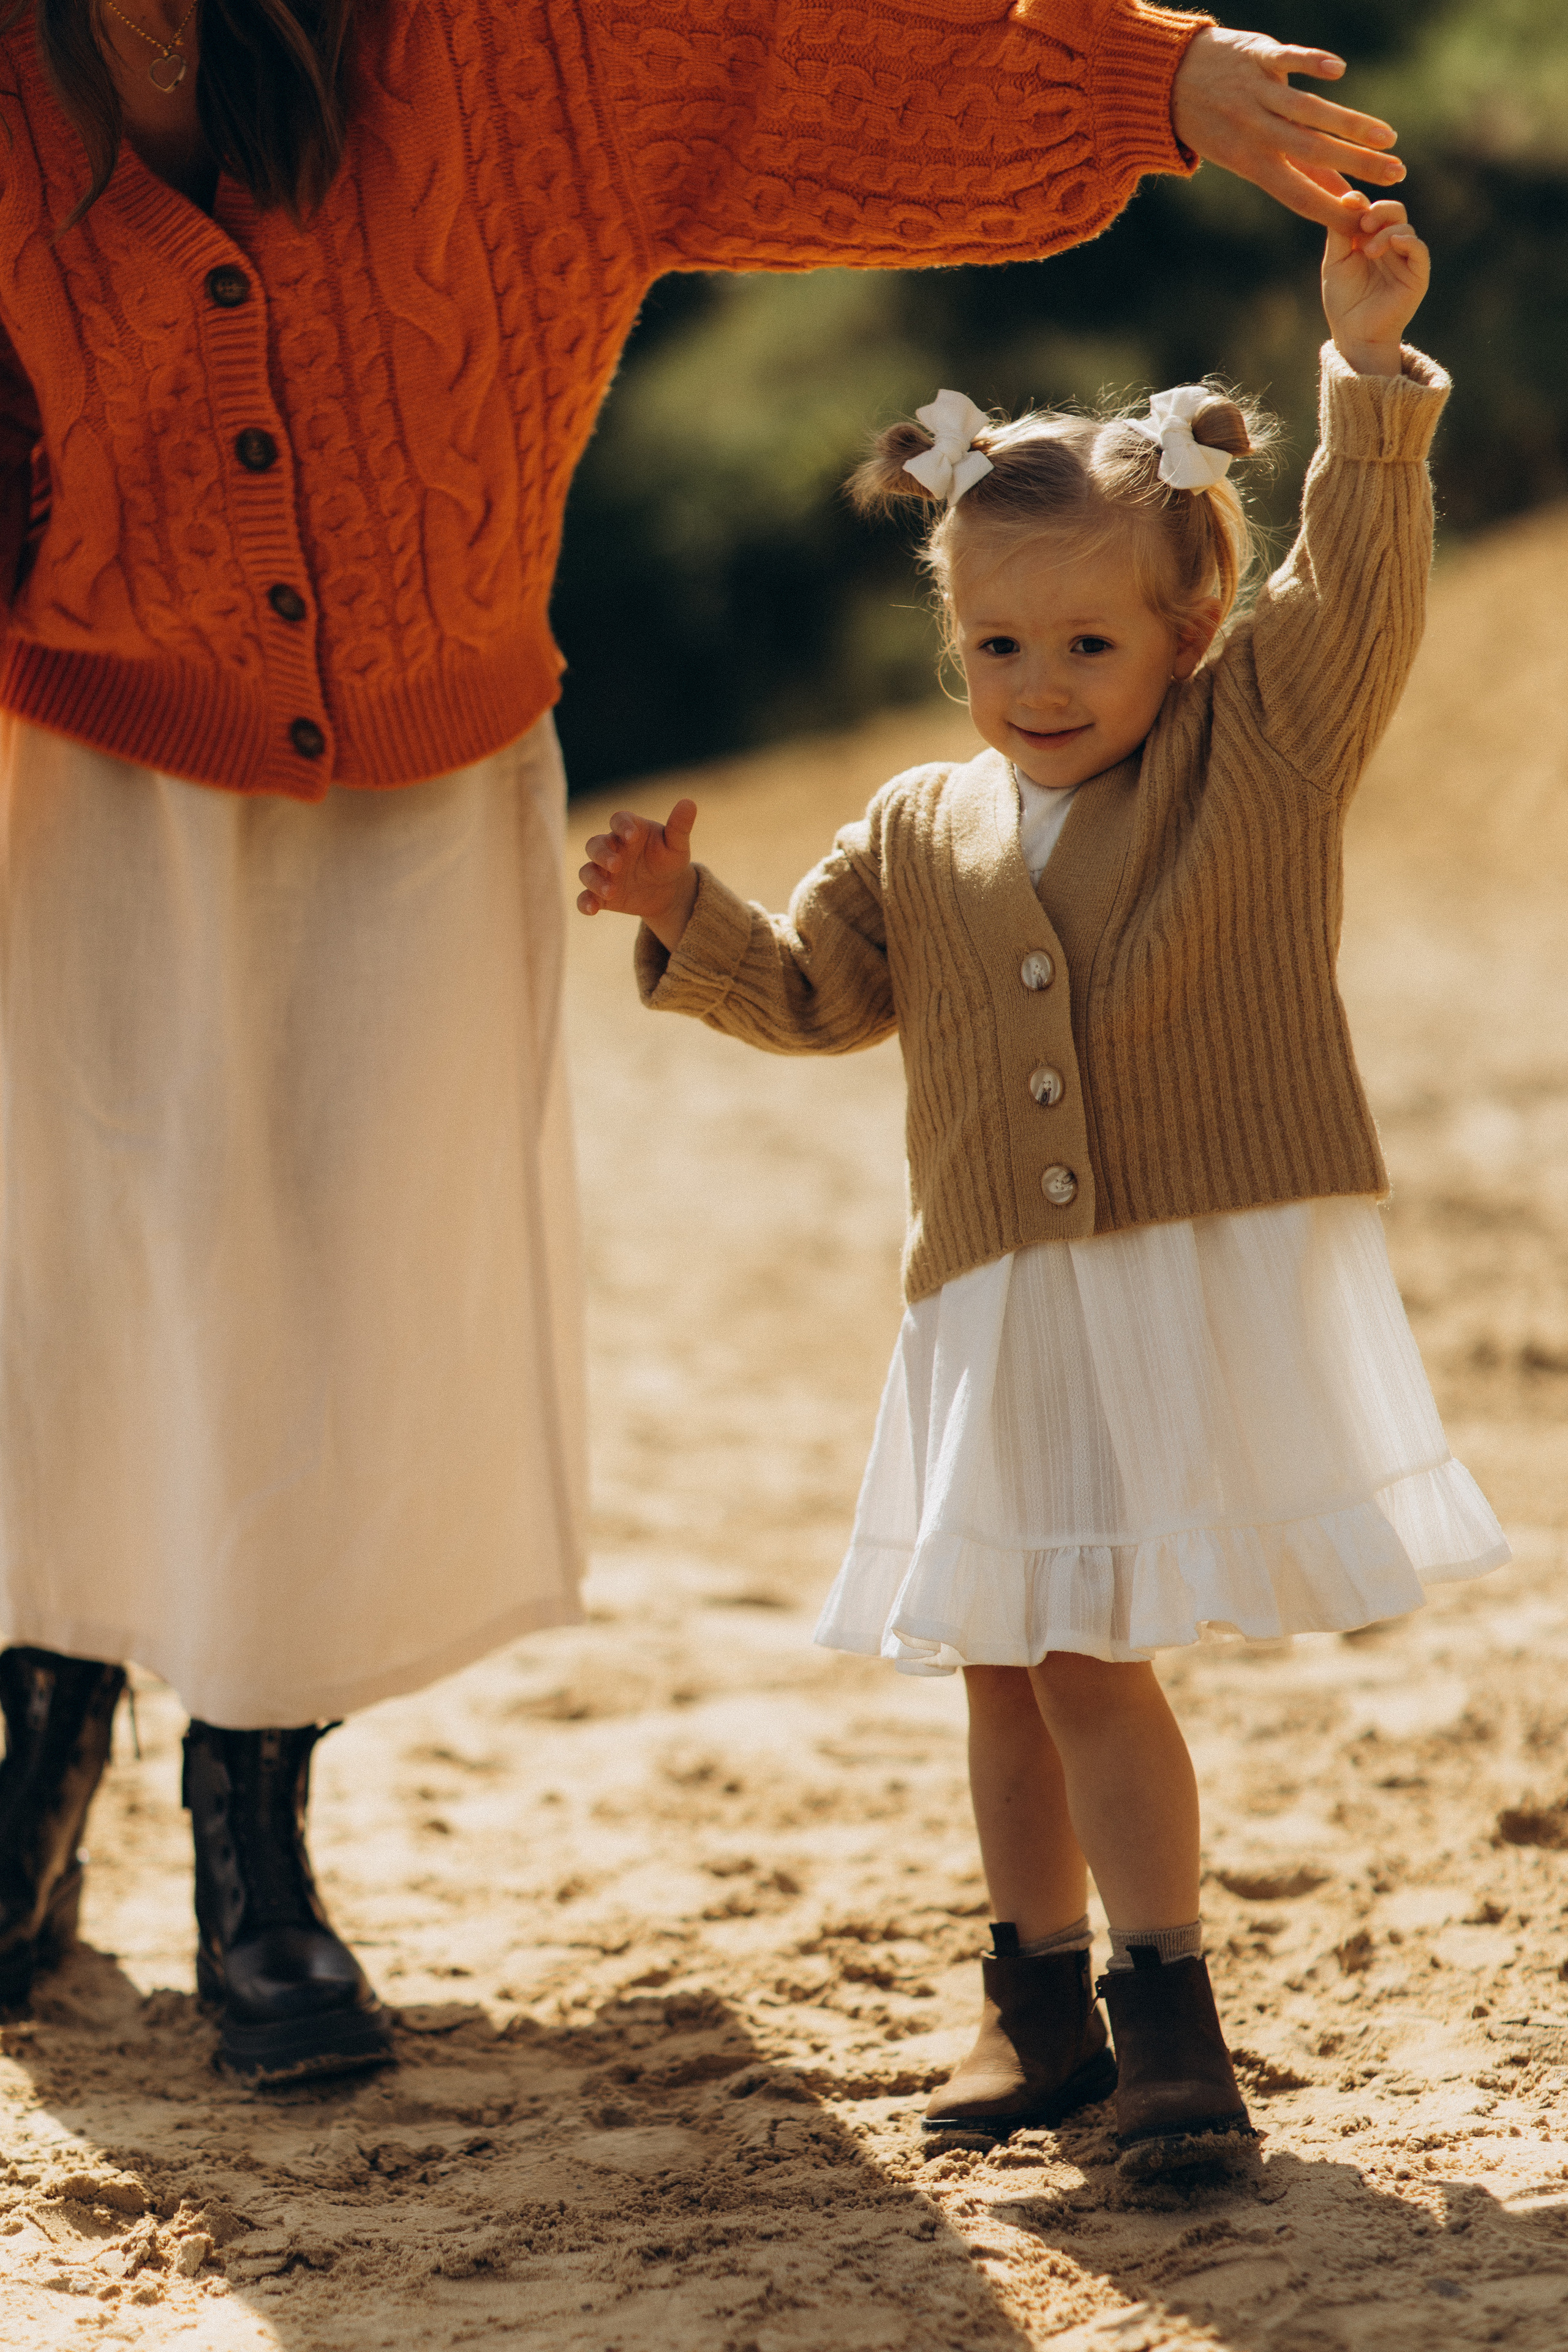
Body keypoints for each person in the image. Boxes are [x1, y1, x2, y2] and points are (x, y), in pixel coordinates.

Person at [0, 0, 1414, 2082]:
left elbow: (809, 62)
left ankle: (253, 1849)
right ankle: (40, 1744)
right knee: (75, 1273)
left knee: (323, 1289)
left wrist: (1145, 87)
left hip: (416, 780)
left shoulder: (505, 44)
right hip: (81, 753)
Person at [576, 192, 1509, 2174]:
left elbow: (1360, 581)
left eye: (1090, 640)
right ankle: (1039, 2006)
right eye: (998, 642)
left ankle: (1173, 2016)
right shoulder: (922, 820)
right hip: (991, 1300)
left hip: (1158, 1279)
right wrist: (687, 910)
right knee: (1000, 1664)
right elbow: (823, 997)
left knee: (1089, 1657)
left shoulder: (1256, 740)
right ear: (953, 642)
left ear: (1189, 632)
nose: (1040, 679)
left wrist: (1360, 371)